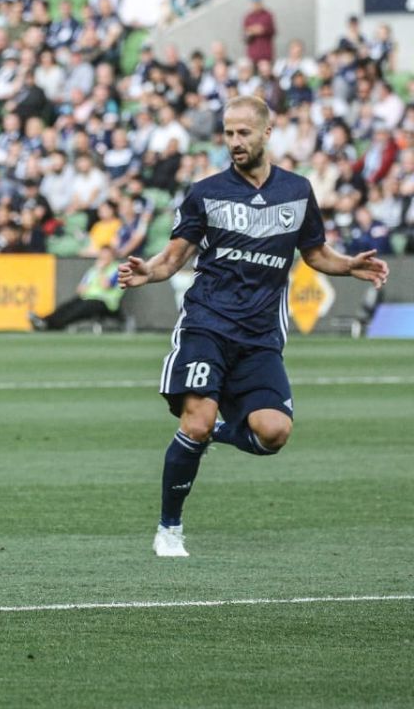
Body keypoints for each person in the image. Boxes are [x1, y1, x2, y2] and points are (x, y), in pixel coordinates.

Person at [118, 96, 389, 558]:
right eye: (228, 133)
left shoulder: (298, 192)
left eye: (243, 133)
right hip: (207, 324)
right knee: (197, 418)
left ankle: (210, 437)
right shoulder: (206, 192)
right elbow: (174, 256)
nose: (235, 142)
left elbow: (316, 254)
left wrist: (349, 265)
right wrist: (150, 272)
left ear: (268, 132)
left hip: (260, 336)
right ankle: (169, 529)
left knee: (274, 432)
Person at [30, 245, 122, 330]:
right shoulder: (93, 270)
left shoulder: (116, 269)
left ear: (112, 257)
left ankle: (53, 325)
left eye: (106, 256)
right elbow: (80, 289)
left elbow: (106, 286)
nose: (103, 258)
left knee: (77, 310)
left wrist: (101, 270)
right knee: (67, 306)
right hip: (88, 297)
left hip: (104, 302)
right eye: (102, 256)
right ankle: (44, 321)